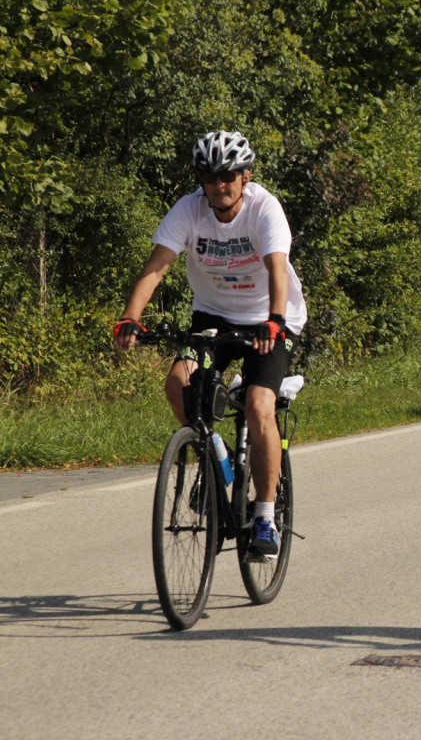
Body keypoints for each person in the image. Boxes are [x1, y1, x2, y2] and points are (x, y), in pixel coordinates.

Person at [113, 130, 307, 560]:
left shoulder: (264, 208)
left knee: (258, 406)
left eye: (228, 176)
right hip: (213, 319)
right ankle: (215, 452)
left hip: (269, 320)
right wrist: (131, 317)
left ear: (245, 176)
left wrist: (274, 322)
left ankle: (264, 517)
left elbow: (277, 267)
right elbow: (157, 266)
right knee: (177, 383)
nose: (220, 185)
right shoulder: (189, 209)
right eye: (210, 176)